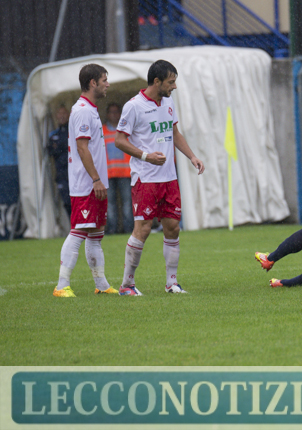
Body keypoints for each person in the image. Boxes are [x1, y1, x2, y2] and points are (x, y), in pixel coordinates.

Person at [114, 60, 205, 295]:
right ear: (157, 82)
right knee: (142, 230)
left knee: (173, 227)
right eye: (171, 82)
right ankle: (127, 285)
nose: (174, 87)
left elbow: (174, 132)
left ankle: (171, 283)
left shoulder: (168, 102)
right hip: (146, 178)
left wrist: (192, 156)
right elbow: (119, 140)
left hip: (169, 178)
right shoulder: (133, 106)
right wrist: (145, 156)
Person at [53, 64, 117, 297]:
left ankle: (101, 285)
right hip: (86, 183)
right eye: (104, 80)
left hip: (96, 183)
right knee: (79, 230)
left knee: (96, 233)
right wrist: (96, 179)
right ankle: (61, 285)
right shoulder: (81, 110)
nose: (107, 84)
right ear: (93, 83)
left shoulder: (90, 109)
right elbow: (82, 148)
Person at [103, 103, 133, 235]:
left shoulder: (126, 129)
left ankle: (129, 229)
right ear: (107, 114)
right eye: (111, 112)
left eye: (116, 112)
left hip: (125, 173)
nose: (114, 115)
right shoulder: (102, 131)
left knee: (127, 203)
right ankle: (112, 230)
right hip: (108, 174)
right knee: (110, 204)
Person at [47, 106, 71, 216]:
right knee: (66, 201)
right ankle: (74, 226)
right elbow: (51, 151)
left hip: (75, 172)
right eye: (59, 113)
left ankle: (82, 226)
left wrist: (60, 147)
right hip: (61, 174)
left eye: (64, 113)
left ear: (69, 114)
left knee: (78, 200)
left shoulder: (73, 131)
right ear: (56, 116)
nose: (62, 116)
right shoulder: (53, 135)